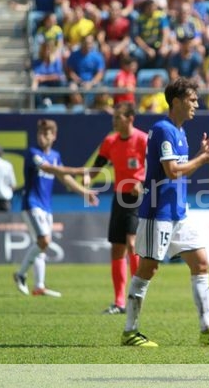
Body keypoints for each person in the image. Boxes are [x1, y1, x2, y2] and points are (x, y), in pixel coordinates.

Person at [120, 77, 209, 347]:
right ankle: (130, 330)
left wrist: (202, 153)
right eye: (192, 99)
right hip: (158, 212)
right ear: (176, 101)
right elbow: (171, 171)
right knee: (148, 269)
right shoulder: (163, 129)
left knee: (201, 263)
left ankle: (207, 328)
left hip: (178, 212)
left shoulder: (180, 132)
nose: (197, 104)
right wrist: (204, 157)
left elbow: (181, 168)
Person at [13, 119, 99, 297]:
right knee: (44, 241)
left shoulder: (55, 155)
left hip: (47, 207)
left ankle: (39, 286)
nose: (42, 137)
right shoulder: (33, 153)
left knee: (41, 246)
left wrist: (85, 192)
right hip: (31, 205)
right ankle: (20, 274)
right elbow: (50, 169)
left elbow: (64, 178)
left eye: (46, 134)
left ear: (54, 136)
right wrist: (78, 171)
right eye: (40, 133)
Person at [86, 102, 148, 314]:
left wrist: (142, 183)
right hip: (119, 197)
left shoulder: (142, 139)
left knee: (132, 244)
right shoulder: (110, 141)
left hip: (136, 197)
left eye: (117, 118)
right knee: (117, 248)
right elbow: (97, 167)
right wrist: (85, 184)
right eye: (113, 118)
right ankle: (119, 301)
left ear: (130, 118)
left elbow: (155, 168)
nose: (114, 122)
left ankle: (136, 295)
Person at [0, 145, 17, 211]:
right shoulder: (8, 165)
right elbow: (13, 185)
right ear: (2, 154)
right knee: (5, 221)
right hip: (5, 201)